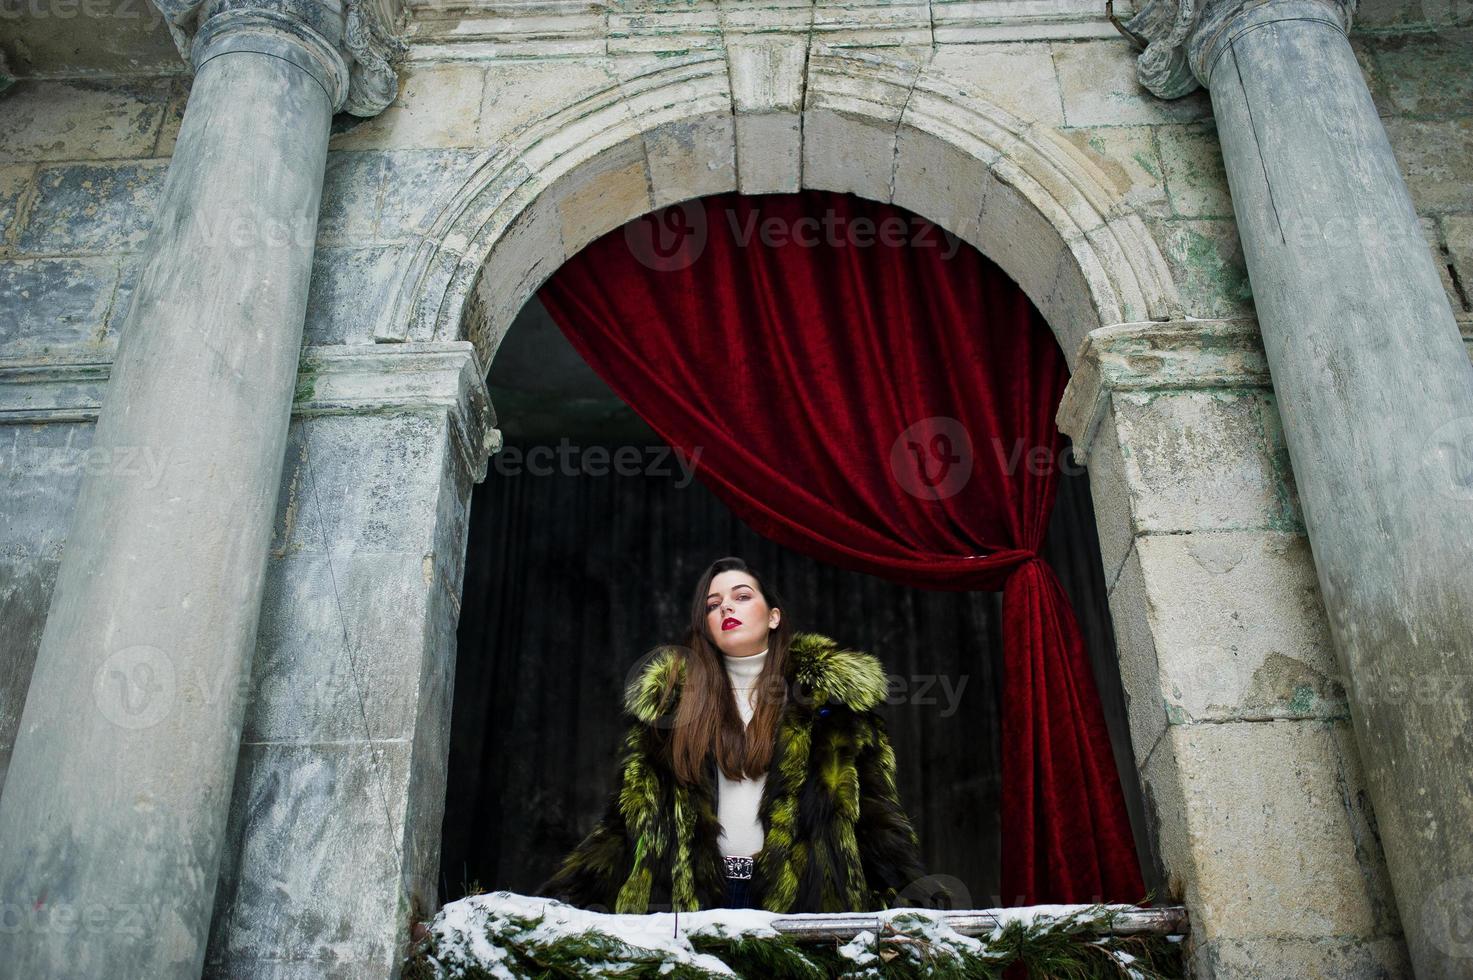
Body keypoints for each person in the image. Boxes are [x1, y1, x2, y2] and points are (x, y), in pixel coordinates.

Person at [536, 556, 929, 913]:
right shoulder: (670, 710)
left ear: (773, 616)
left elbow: (878, 825)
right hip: (688, 908)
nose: (725, 606)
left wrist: (921, 910)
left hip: (802, 906)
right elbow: (623, 828)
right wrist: (554, 906)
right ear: (706, 626)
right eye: (712, 604)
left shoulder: (832, 710)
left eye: (741, 596)